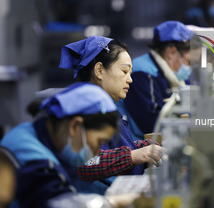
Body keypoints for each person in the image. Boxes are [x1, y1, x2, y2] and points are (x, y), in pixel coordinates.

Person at [0, 82, 138, 208]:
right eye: (99, 142)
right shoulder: (40, 166)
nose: (97, 152)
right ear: (75, 126)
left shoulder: (27, 131)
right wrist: (112, 202)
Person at [59, 36, 165, 182]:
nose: (130, 79)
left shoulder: (106, 108)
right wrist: (132, 156)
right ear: (100, 70)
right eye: (124, 71)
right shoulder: (84, 111)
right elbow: (83, 164)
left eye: (130, 73)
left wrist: (147, 148)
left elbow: (114, 148)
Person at [118, 20, 200, 141]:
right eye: (189, 61)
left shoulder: (174, 75)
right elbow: (152, 124)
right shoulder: (142, 73)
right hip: (138, 147)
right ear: (171, 52)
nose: (190, 68)